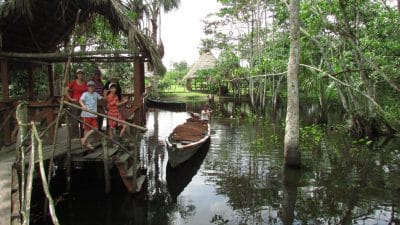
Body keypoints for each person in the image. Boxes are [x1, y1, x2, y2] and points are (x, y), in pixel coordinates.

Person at [79, 81, 103, 150]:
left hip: (94, 115)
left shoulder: (96, 94)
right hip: (86, 114)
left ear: (94, 87)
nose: (91, 88)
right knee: (87, 129)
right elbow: (80, 101)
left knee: (95, 128)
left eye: (92, 86)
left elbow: (102, 98)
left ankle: (84, 139)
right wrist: (83, 106)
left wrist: (107, 93)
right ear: (87, 87)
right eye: (89, 86)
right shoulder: (85, 94)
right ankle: (87, 143)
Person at [65, 69, 88, 138]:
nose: (80, 75)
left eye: (81, 73)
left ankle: (82, 134)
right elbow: (66, 90)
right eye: (78, 73)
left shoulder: (86, 83)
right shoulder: (73, 82)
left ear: (83, 75)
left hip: (83, 103)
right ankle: (75, 135)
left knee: (83, 119)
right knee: (74, 119)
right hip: (75, 102)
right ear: (76, 75)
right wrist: (70, 98)